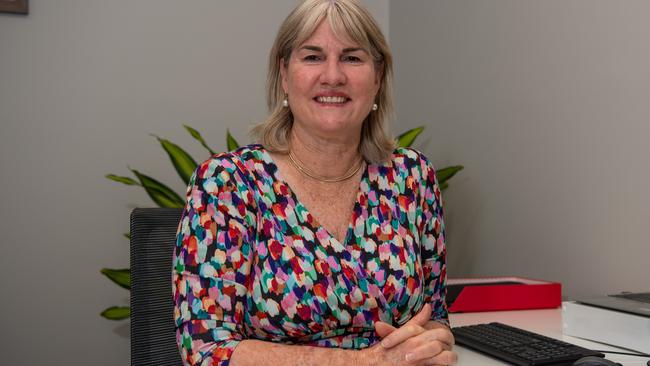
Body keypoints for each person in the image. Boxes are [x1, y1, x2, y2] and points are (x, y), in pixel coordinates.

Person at [172, 1, 457, 365]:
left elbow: (435, 315)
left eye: (352, 58)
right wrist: (367, 362)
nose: (333, 76)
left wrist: (434, 339)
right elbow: (206, 350)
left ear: (378, 77)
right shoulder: (227, 183)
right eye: (312, 57)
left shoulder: (412, 177)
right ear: (285, 75)